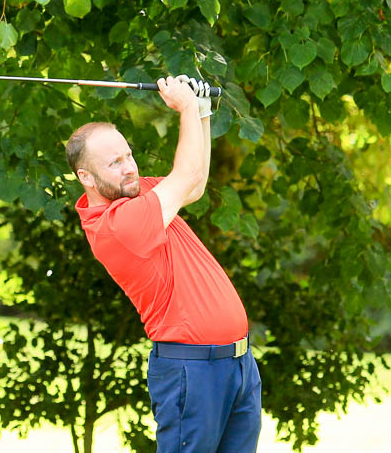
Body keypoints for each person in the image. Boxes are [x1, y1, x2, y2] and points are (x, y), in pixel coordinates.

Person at [65, 75, 262, 452]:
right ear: (85, 177)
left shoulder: (137, 193)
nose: (129, 167)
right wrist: (185, 106)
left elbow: (195, 184)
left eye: (128, 155)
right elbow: (185, 175)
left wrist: (201, 111)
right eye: (114, 162)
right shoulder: (117, 225)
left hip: (237, 364)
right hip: (193, 370)